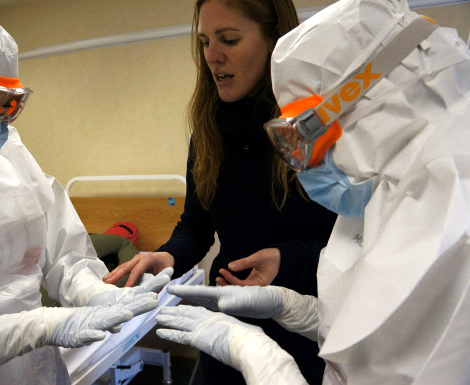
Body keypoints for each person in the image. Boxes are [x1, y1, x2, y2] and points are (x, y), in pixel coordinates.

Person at [154, 0, 470, 383]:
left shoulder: (448, 223)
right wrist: (288, 305)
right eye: (204, 41)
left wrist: (257, 355)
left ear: (364, 104)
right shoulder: (408, 189)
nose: (310, 163)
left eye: (308, 130)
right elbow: (359, 315)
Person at [0, 13, 173, 385]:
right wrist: (27, 328)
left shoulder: (8, 152)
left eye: (7, 104)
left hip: (38, 368)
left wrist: (93, 292)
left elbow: (64, 252)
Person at [103, 0, 337, 383]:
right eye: (204, 42)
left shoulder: (316, 128)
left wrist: (288, 258)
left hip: (308, 329)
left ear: (278, 41)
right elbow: (196, 227)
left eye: (228, 39)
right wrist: (165, 256)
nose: (212, 56)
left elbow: (355, 245)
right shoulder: (210, 130)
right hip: (227, 326)